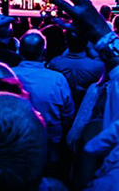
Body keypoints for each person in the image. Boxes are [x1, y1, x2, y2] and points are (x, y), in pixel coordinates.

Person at [12, 29, 74, 159]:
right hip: (50, 144)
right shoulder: (57, 79)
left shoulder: (8, 74)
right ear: (44, 52)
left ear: (19, 51)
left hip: (15, 141)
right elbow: (68, 114)